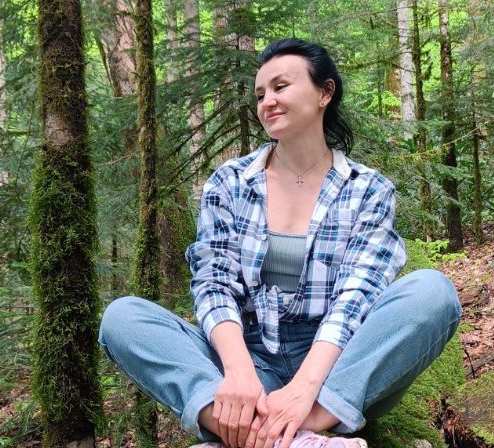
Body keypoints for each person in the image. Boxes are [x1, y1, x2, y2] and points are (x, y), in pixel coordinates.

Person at [99, 38, 461, 448]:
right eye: (260, 94)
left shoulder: (368, 189)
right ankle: (289, 438)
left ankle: (292, 427)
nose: (267, 101)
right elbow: (214, 283)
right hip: (249, 357)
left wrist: (305, 389)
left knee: (434, 292)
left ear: (325, 92)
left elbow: (356, 297)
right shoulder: (230, 183)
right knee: (122, 318)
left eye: (281, 86)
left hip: (339, 366)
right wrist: (239, 373)